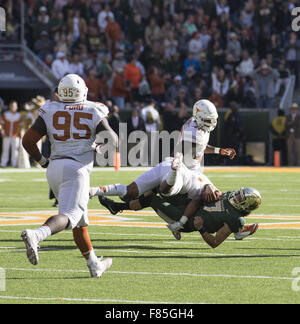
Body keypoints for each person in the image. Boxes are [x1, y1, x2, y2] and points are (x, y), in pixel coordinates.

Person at [21, 74, 118, 278]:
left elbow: (28, 140)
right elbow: (113, 139)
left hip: (54, 167)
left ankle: (94, 264)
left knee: (80, 221)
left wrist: (42, 161)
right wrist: (101, 147)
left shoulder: (50, 108)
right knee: (70, 216)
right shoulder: (93, 109)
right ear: (82, 91)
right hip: (77, 169)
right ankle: (37, 235)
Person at [90, 100, 236, 202]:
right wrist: (177, 161)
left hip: (169, 165)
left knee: (130, 192)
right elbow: (183, 149)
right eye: (209, 120)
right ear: (199, 115)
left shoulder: (195, 122)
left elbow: (200, 147)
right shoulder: (195, 132)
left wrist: (219, 150)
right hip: (186, 172)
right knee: (214, 196)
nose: (212, 123)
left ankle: (95, 191)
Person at [0, 101, 22, 168]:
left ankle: (14, 163)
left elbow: (21, 126)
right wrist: (2, 132)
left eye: (14, 106)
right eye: (12, 106)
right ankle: (3, 163)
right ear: (10, 106)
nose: (13, 107)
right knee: (5, 150)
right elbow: (1, 125)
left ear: (17, 107)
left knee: (15, 150)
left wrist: (21, 134)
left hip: (15, 136)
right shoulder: (5, 114)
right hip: (6, 135)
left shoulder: (19, 115)